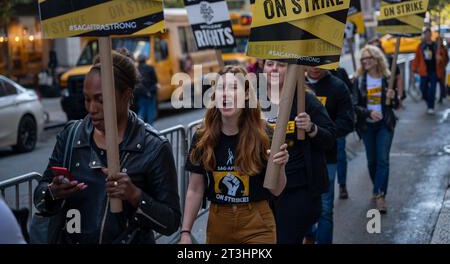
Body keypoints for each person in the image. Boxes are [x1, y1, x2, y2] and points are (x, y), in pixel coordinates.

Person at [34, 50, 181, 244]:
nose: (91, 108)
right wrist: (53, 191)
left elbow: (170, 222)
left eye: (101, 100)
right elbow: (40, 194)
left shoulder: (154, 147)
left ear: (126, 95)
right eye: (87, 99)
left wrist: (135, 195)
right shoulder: (71, 135)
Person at [180, 66, 289, 244]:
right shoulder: (202, 137)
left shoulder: (265, 135)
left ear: (246, 94)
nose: (225, 94)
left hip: (257, 222)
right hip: (218, 223)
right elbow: (195, 188)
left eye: (233, 88)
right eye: (221, 88)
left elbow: (276, 189)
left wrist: (280, 166)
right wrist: (185, 232)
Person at [262, 60, 336, 244]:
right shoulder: (253, 101)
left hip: (297, 190)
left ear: (292, 70)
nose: (273, 69)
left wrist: (311, 128)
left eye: (280, 65)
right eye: (269, 64)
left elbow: (330, 138)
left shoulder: (305, 100)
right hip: (263, 190)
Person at [306, 67, 354, 244]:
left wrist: (323, 131)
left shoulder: (338, 86)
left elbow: (348, 121)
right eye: (310, 62)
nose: (314, 67)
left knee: (325, 209)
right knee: (303, 207)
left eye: (319, 63)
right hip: (300, 159)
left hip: (327, 157)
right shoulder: (293, 84)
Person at [354, 45, 399, 213]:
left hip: (385, 125)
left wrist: (393, 98)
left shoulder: (387, 78)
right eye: (362, 59)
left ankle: (380, 194)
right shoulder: (359, 81)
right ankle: (377, 187)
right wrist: (368, 112)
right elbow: (354, 105)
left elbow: (395, 105)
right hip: (367, 126)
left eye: (368, 58)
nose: (365, 61)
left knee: (383, 160)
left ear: (377, 59)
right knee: (372, 161)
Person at [330, 67, 354, 199]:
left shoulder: (340, 73)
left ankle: (342, 184)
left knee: (340, 155)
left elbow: (349, 95)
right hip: (315, 130)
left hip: (337, 128)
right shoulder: (305, 75)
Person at [412, 29, 439, 114]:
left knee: (433, 89)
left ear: (431, 35)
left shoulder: (435, 45)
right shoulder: (421, 46)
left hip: (434, 71)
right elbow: (417, 58)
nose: (427, 36)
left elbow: (443, 56)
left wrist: (440, 59)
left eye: (429, 34)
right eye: (426, 34)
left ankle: (431, 106)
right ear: (424, 35)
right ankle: (429, 101)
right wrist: (414, 69)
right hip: (424, 71)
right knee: (423, 88)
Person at [135, 55, 159, 124]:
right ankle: (150, 130)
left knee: (142, 111)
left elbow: (137, 83)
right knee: (151, 112)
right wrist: (149, 92)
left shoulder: (136, 70)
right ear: (145, 60)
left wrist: (145, 91)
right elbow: (155, 81)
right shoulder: (150, 68)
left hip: (141, 94)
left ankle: (138, 127)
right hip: (151, 93)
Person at [436, 37, 449, 103]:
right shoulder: (434, 49)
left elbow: (447, 58)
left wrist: (444, 63)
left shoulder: (444, 49)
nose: (439, 42)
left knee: (441, 84)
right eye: (438, 41)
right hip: (434, 70)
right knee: (434, 85)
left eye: (440, 41)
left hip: (441, 69)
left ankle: (441, 97)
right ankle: (436, 96)